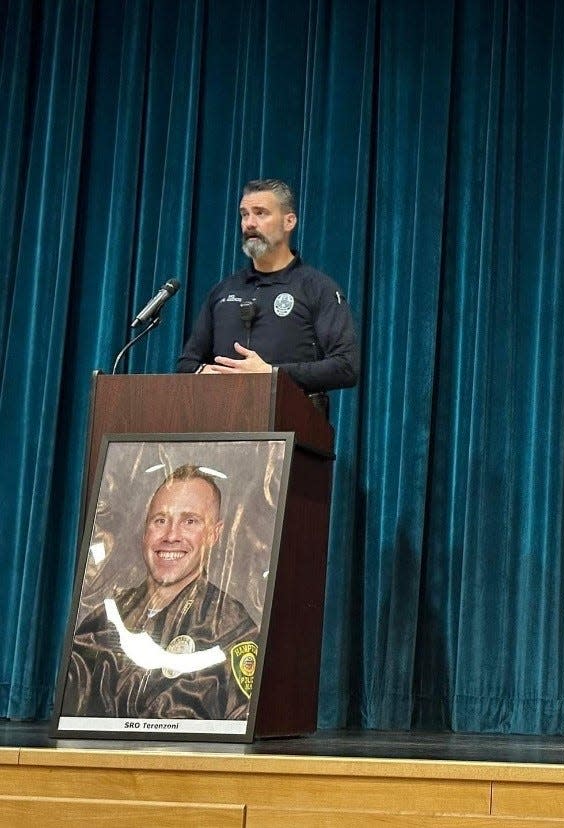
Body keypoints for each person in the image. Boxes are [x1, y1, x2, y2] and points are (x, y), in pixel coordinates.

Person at [62, 465, 260, 720]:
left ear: (214, 534)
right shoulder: (103, 621)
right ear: (145, 531)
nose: (171, 535)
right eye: (160, 520)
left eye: (190, 521)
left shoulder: (231, 631)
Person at [176, 179, 359, 414]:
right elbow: (186, 364)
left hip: (292, 429)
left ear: (289, 221)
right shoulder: (223, 291)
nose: (249, 224)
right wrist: (205, 372)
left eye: (261, 213)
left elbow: (346, 367)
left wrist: (272, 375)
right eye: (244, 214)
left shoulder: (317, 288)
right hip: (221, 426)